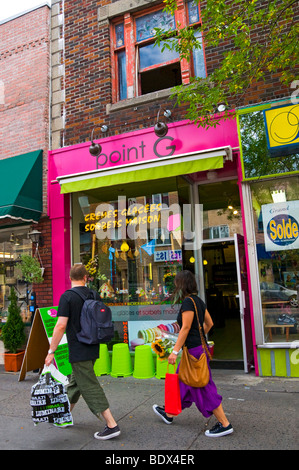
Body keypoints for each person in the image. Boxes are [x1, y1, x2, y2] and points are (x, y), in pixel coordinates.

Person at [153, 270, 233, 437]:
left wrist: (175, 351)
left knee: (204, 386)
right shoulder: (198, 301)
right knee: (182, 382)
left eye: (176, 283)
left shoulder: (188, 303)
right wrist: (198, 336)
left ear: (181, 284)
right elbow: (209, 323)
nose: (175, 286)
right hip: (197, 349)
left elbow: (186, 328)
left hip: (194, 353)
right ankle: (169, 413)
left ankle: (225, 424)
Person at [45, 264, 120, 440]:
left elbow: (61, 325)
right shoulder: (93, 294)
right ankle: (64, 416)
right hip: (93, 346)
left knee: (89, 385)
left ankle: (111, 424)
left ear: (69, 278)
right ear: (86, 277)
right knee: (76, 381)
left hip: (78, 349)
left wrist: (51, 351)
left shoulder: (67, 297)